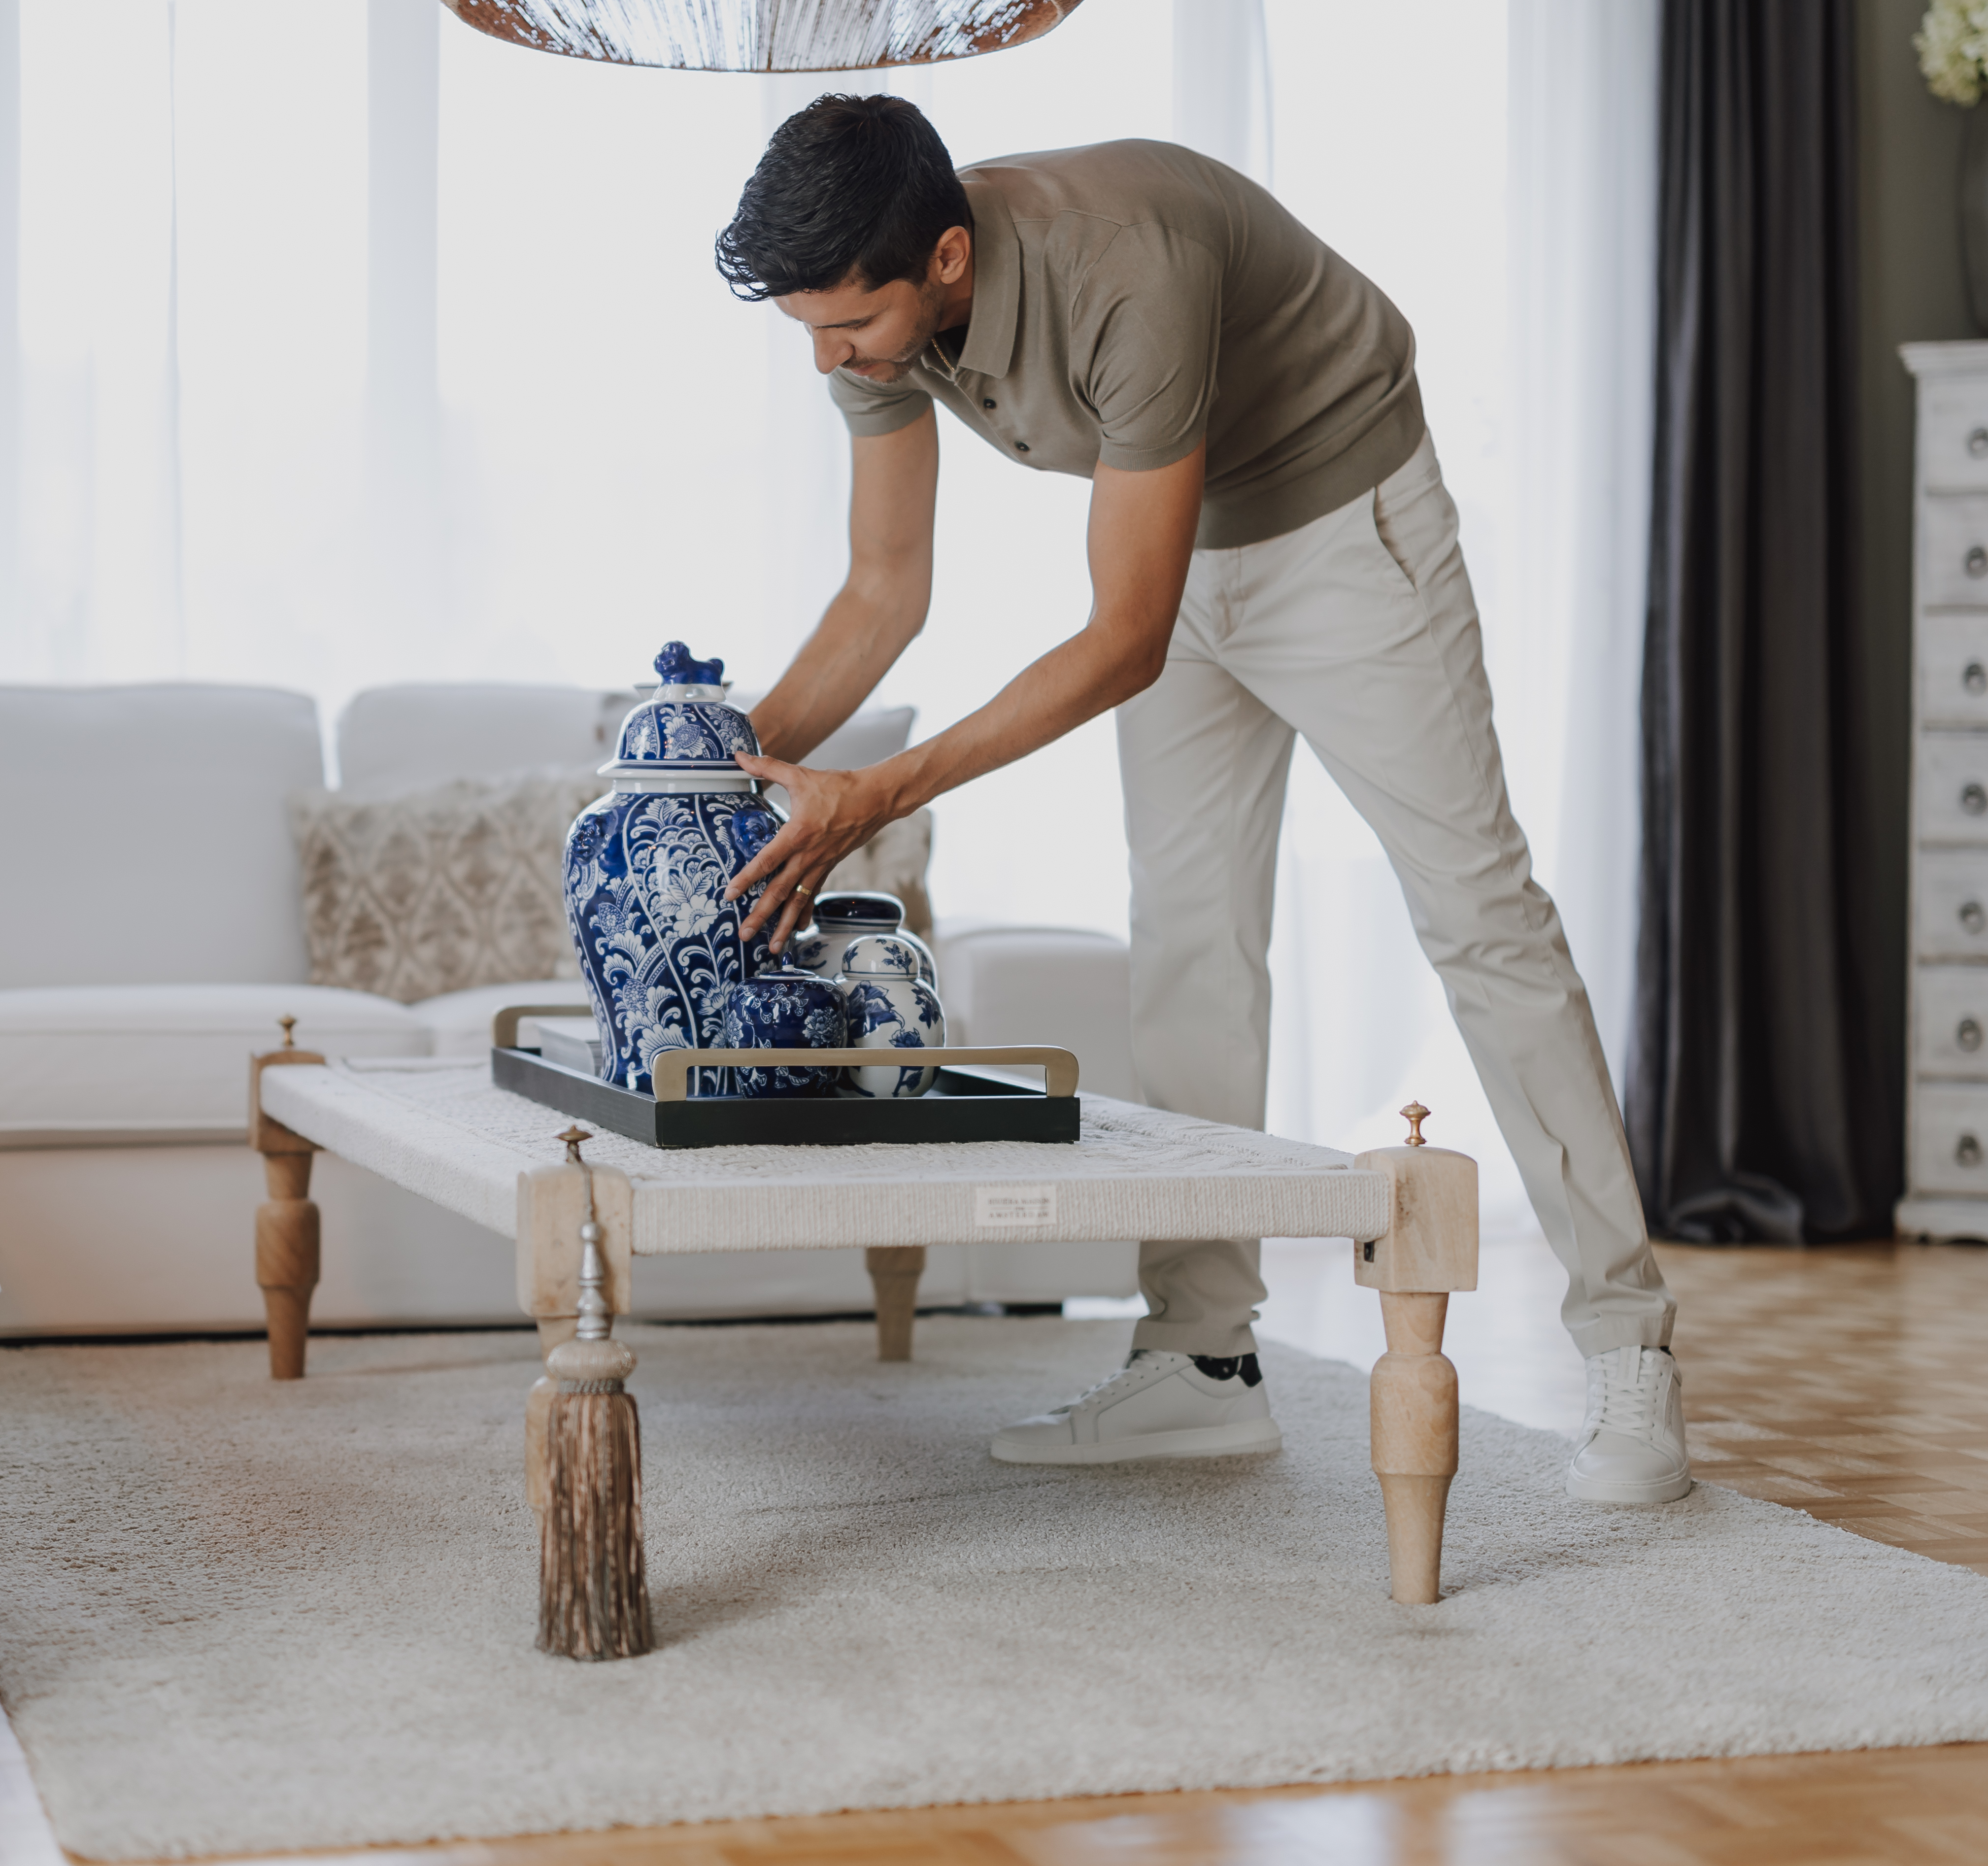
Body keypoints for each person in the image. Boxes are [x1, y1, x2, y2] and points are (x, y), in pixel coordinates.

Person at [710, 94, 1686, 1506]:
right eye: (808, 331)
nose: (830, 358)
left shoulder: (1127, 267)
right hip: (1175, 547)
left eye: (843, 327)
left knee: (1481, 918)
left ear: (946, 262)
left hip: (1343, 529)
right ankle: (1204, 1364)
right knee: (1187, 939)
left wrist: (876, 795)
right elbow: (883, 592)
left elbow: (1124, 639)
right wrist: (721, 762)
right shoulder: (867, 311)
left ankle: (1630, 1350)